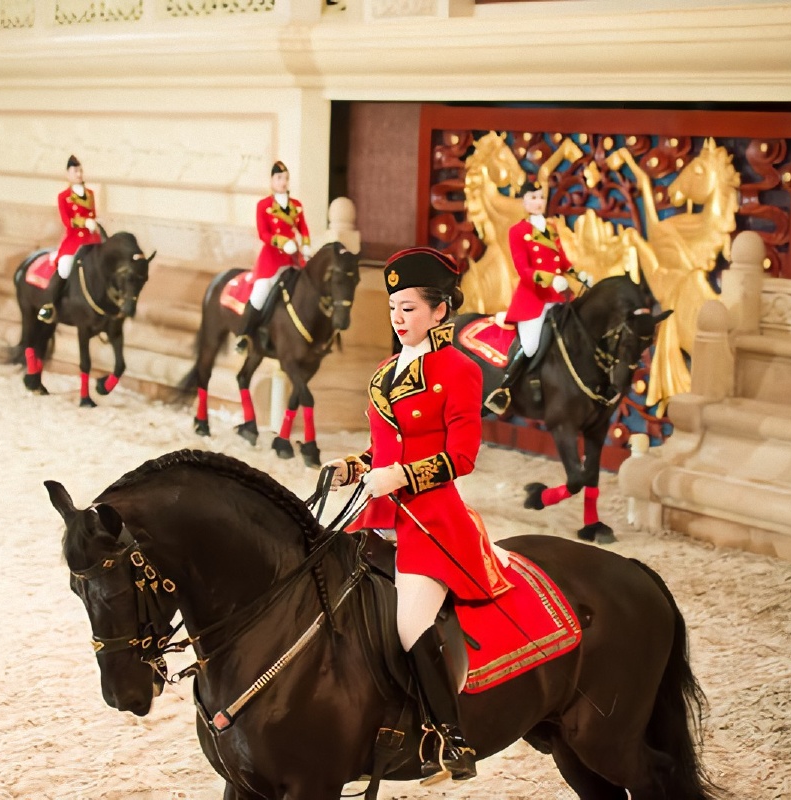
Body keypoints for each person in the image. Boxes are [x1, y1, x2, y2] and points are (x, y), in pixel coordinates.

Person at [324, 247, 513, 784]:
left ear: (439, 311)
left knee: (410, 622)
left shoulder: (460, 370)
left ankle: (450, 738)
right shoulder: (387, 370)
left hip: (429, 520)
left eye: (408, 308)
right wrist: (352, 465)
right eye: (393, 309)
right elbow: (382, 446)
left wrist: (402, 477)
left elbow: (463, 456)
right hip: (375, 509)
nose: (398, 319)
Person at [483, 180, 573, 414]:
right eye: (533, 197)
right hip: (533, 296)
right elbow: (523, 270)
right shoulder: (518, 231)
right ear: (524, 202)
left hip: (558, 294)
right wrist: (550, 279)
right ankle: (504, 388)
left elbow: (562, 260)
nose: (538, 202)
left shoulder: (551, 228)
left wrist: (578, 274)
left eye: (541, 197)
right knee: (531, 345)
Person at [238, 160, 311, 353]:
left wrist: (306, 247)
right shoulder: (264, 205)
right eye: (279, 178)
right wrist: (280, 241)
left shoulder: (297, 205)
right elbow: (263, 233)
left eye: (286, 178)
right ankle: (246, 333)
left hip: (293, 259)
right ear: (271, 181)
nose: (283, 182)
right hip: (272, 259)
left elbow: (303, 228)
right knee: (261, 293)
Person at [39, 155, 101, 324]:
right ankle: (49, 304)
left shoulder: (90, 194)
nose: (79, 174)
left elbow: (93, 214)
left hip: (91, 239)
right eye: (75, 171)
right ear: (68, 174)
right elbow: (67, 221)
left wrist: (93, 223)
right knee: (65, 267)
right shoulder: (63, 196)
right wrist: (83, 221)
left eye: (80, 170)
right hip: (73, 240)